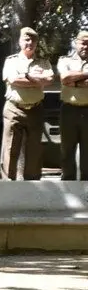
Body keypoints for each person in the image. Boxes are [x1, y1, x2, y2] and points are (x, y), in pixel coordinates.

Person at [1, 28, 54, 181]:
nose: (29, 43)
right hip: (14, 109)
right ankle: (8, 185)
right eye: (26, 39)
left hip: (35, 109)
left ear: (37, 43)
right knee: (10, 148)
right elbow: (14, 80)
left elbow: (49, 80)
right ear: (20, 41)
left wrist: (25, 77)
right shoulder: (11, 61)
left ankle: (32, 185)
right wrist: (36, 80)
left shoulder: (43, 62)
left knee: (34, 150)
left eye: (33, 40)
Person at [56, 31, 88, 180]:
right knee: (67, 149)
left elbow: (70, 79)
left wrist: (73, 82)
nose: (85, 46)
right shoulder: (65, 60)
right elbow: (64, 77)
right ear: (76, 43)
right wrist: (85, 76)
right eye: (83, 42)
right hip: (69, 110)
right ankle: (68, 183)